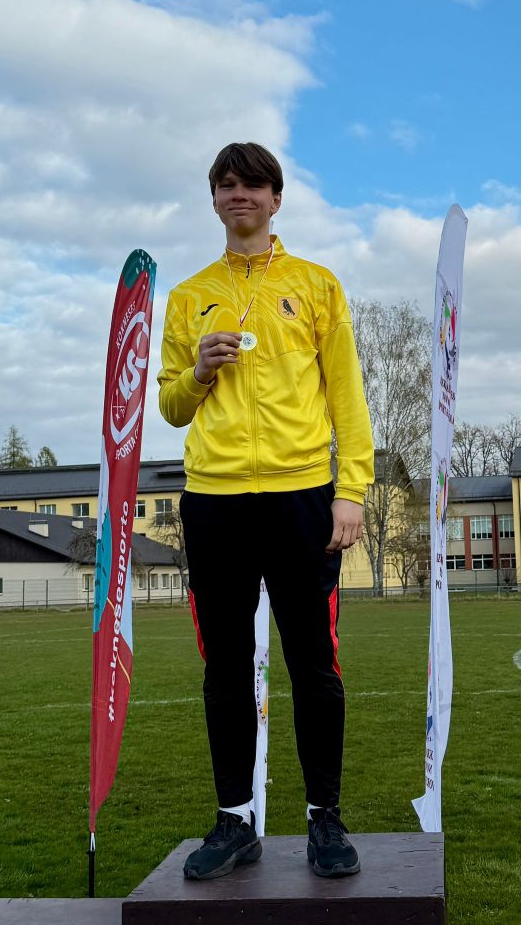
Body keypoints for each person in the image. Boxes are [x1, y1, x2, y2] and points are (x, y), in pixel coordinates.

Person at [158, 142, 374, 880]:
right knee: (224, 669)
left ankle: (325, 818)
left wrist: (351, 490)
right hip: (214, 500)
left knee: (313, 663)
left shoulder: (315, 285)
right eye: (226, 185)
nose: (238, 195)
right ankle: (235, 820)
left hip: (301, 497)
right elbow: (171, 406)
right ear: (214, 200)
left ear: (276, 198)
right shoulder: (189, 295)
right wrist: (197, 371)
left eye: (252, 185)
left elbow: (346, 395)